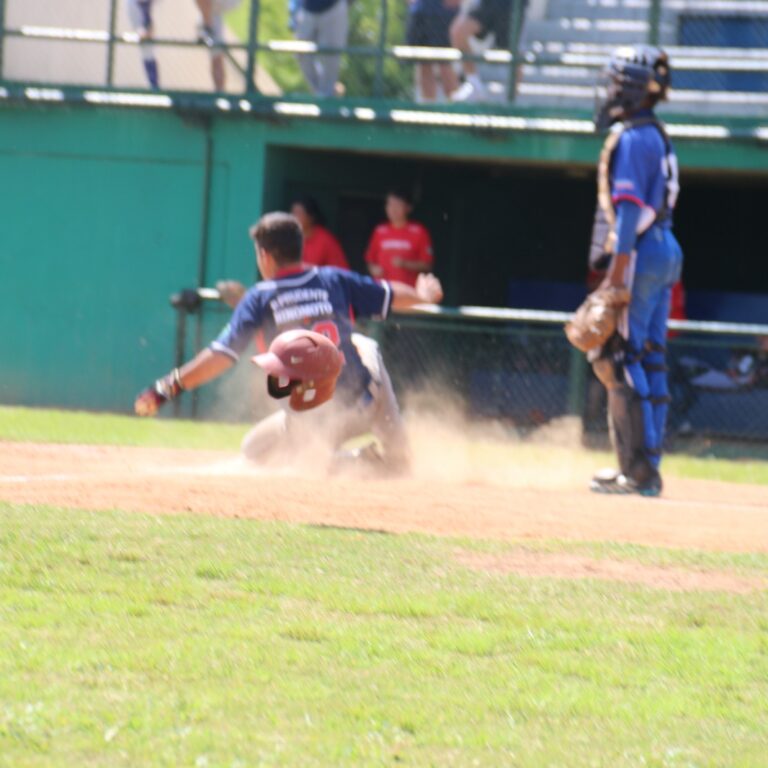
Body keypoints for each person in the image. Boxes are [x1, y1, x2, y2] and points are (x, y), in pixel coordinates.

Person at [134, 212, 444, 473]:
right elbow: (390, 294)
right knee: (366, 348)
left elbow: (221, 356)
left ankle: (357, 464)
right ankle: (394, 453)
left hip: (321, 421)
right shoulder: (332, 279)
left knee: (269, 458)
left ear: (264, 256)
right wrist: (425, 296)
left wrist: (168, 386)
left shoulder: (260, 297)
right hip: (367, 398)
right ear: (300, 248)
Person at [587, 45, 684, 497]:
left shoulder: (631, 137)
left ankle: (638, 469)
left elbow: (627, 213)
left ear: (628, 87)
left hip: (642, 252)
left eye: (614, 82)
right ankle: (649, 465)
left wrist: (615, 273)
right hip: (667, 247)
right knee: (651, 356)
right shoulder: (659, 134)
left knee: (621, 355)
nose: (608, 91)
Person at [450, 0, 522, 103]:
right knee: (459, 31)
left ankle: (512, 101)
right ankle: (473, 84)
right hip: (486, 3)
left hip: (511, 4)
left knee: (512, 50)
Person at [365, 189, 434, 287]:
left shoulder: (419, 231)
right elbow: (370, 260)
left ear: (408, 208)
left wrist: (405, 264)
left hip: (408, 292)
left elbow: (427, 265)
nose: (393, 209)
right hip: (382, 290)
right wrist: (374, 269)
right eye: (390, 204)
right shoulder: (379, 231)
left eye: (397, 204)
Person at [406, 0, 461, 102]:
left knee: (444, 64)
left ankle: (455, 109)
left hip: (443, 14)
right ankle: (428, 110)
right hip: (420, 11)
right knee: (423, 63)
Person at [293, 0, 349, 98]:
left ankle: (326, 96)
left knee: (331, 57)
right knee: (300, 53)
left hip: (333, 7)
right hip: (307, 7)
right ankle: (321, 92)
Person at [195, 0, 243, 91]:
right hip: (211, 11)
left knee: (211, 37)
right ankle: (219, 92)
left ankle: (207, 27)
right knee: (216, 55)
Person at [291, 197, 350, 269]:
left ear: (311, 217)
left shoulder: (325, 240)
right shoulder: (288, 237)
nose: (294, 217)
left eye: (298, 213)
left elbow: (341, 270)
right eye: (293, 213)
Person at [126, 0, 160, 89]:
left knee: (147, 47)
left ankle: (154, 88)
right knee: (146, 49)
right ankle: (154, 87)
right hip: (138, 8)